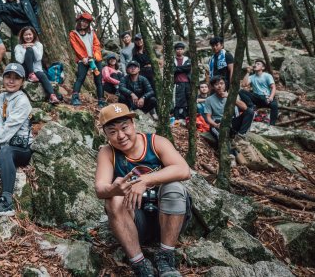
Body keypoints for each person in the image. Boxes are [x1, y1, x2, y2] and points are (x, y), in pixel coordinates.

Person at [95, 103, 191, 277]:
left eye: (124, 128)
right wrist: (113, 188)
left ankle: (166, 257)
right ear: (106, 134)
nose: (121, 136)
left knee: (175, 188)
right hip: (135, 223)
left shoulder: (156, 142)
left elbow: (183, 170)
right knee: (114, 197)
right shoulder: (107, 152)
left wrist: (144, 180)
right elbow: (100, 189)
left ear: (133, 124)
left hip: (170, 218)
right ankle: (139, 264)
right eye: (113, 131)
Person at [0, 63, 33, 217]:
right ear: (3, 78)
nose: (11, 81)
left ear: (22, 82)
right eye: (8, 77)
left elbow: (8, 128)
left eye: (16, 78)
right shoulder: (2, 97)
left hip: (20, 150)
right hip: (3, 144)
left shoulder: (22, 101)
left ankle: (6, 201)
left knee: (5, 151)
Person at [14, 26, 59, 104]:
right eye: (26, 35)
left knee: (43, 76)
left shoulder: (38, 45)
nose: (28, 37)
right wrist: (26, 49)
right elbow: (20, 61)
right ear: (22, 36)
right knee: (29, 50)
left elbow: (39, 58)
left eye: (30, 34)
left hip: (36, 71)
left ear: (33, 35)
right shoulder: (18, 47)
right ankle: (31, 75)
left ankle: (52, 96)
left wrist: (32, 46)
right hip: (25, 71)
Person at [69, 12, 106, 107]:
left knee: (98, 80)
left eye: (86, 22)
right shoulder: (73, 33)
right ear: (79, 21)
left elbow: (96, 45)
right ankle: (75, 98)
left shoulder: (92, 33)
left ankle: (101, 101)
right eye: (83, 21)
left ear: (88, 24)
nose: (84, 23)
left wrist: (95, 56)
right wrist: (82, 57)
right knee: (80, 78)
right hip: (83, 60)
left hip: (95, 59)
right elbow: (75, 46)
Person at [204, 76, 254, 140]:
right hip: (218, 123)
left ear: (225, 84)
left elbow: (245, 108)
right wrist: (215, 125)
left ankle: (240, 136)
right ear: (213, 87)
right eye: (216, 84)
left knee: (250, 112)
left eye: (221, 83)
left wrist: (229, 97)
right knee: (222, 138)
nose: (219, 86)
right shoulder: (209, 99)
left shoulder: (232, 95)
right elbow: (208, 117)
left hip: (231, 122)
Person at [241, 59, 278, 125]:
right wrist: (248, 72)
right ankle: (252, 106)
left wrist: (271, 97)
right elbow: (244, 85)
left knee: (274, 105)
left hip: (266, 97)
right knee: (241, 91)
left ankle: (272, 125)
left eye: (258, 64)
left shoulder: (267, 75)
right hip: (256, 97)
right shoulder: (252, 77)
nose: (255, 65)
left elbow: (273, 87)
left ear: (263, 68)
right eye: (255, 64)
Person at [173, 42, 191, 120]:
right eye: (178, 49)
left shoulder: (187, 59)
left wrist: (178, 68)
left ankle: (187, 116)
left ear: (183, 50)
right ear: (175, 50)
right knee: (178, 100)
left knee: (188, 99)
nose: (179, 51)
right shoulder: (173, 60)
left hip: (187, 82)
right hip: (177, 82)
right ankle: (178, 117)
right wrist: (182, 68)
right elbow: (173, 69)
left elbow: (188, 68)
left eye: (181, 49)